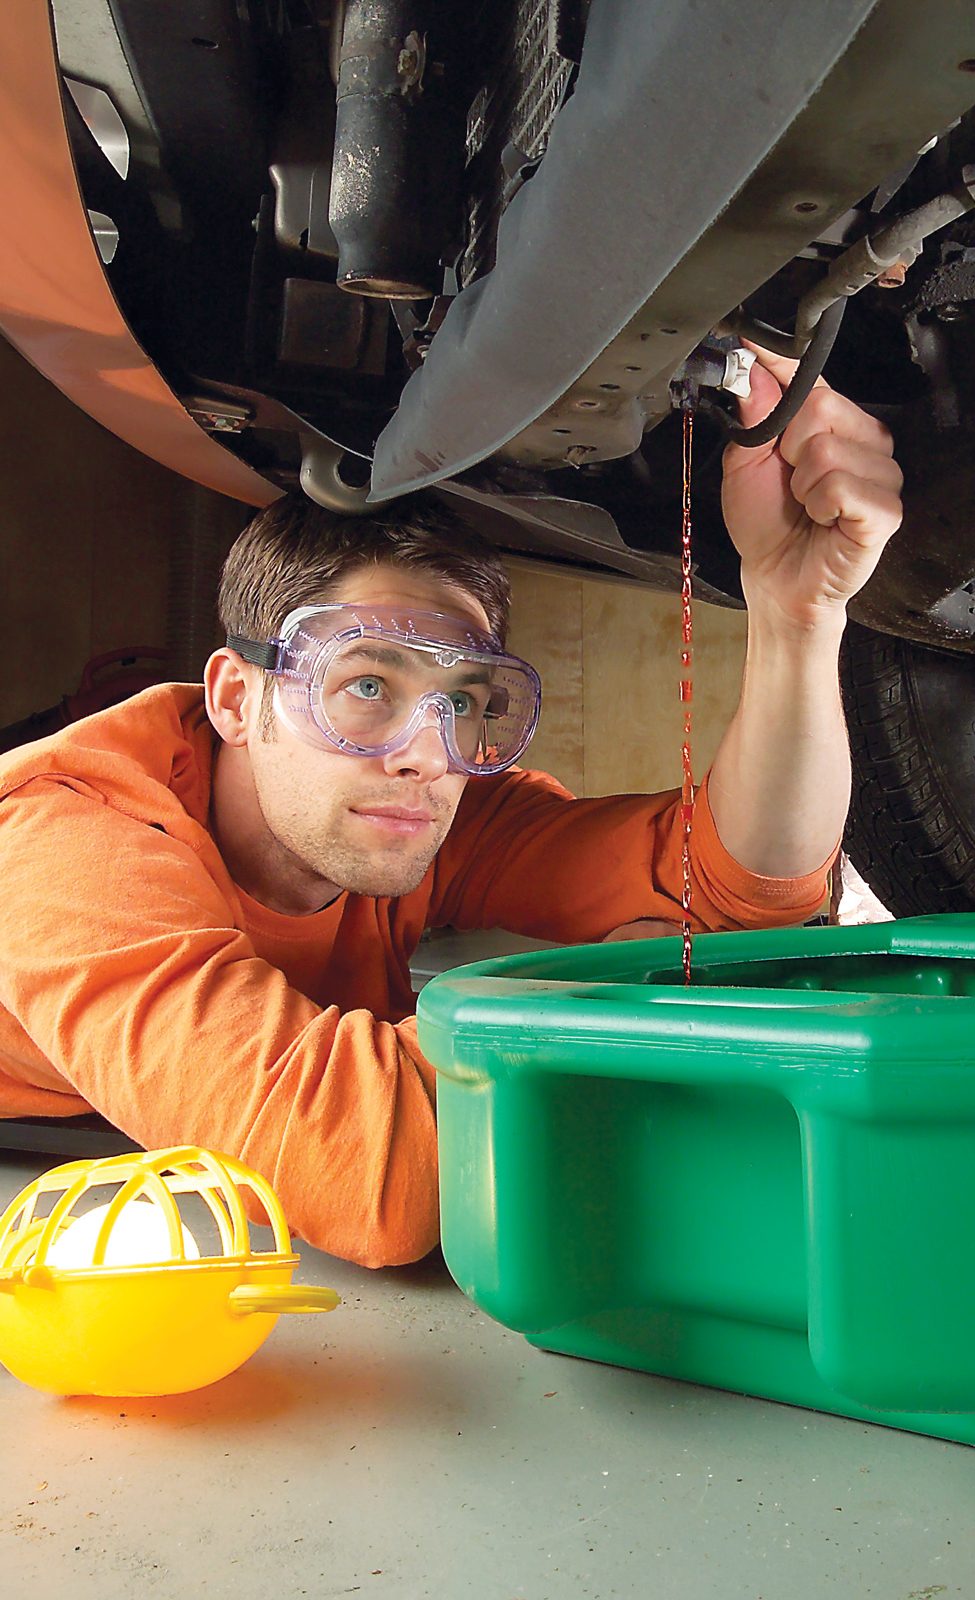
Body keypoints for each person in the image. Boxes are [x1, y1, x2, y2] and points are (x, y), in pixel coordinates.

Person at [0, 350, 903, 1265]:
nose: (428, 757)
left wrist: (797, 615)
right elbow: (378, 1175)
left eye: (465, 700)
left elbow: (739, 892)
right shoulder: (64, 840)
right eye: (365, 686)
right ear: (237, 699)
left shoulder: (429, 811)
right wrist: (603, 993)